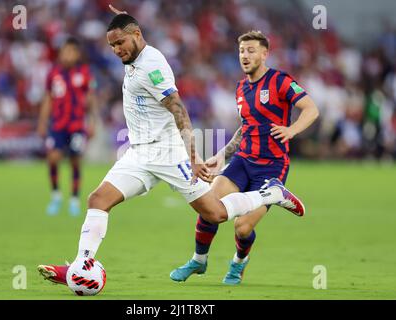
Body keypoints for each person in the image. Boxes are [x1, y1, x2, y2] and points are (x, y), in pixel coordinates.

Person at [37, 8, 305, 285]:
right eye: (112, 45)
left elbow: (179, 110)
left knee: (215, 213)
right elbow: (134, 38)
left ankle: (271, 194)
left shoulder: (152, 66)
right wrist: (127, 18)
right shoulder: (136, 50)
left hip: (166, 153)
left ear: (136, 35)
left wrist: (193, 157)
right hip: (138, 153)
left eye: (120, 43)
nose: (117, 50)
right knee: (98, 200)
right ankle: (80, 266)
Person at [170, 30, 319, 285]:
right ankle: (199, 260)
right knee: (209, 206)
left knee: (242, 227)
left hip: (271, 168)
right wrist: (222, 154)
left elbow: (311, 109)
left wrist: (291, 129)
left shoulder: (280, 81)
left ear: (264, 53)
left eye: (250, 50)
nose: (245, 56)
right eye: (241, 51)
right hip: (242, 161)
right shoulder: (241, 88)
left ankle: (238, 264)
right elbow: (245, 128)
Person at [37, 37, 97, 216]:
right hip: (58, 125)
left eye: (71, 51)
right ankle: (56, 195)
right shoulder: (53, 74)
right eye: (65, 51)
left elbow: (91, 99)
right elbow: (48, 98)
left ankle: (74, 199)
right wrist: (42, 121)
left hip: (77, 125)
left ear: (77, 54)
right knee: (53, 158)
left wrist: (93, 122)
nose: (68, 55)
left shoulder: (85, 73)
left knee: (75, 161)